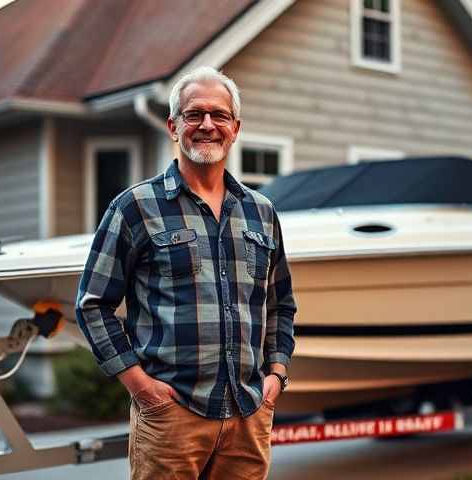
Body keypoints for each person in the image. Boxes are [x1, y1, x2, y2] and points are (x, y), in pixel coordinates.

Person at [75, 66, 296, 479]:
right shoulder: (135, 207)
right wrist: (141, 387)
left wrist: (276, 376)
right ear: (173, 126)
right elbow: (93, 305)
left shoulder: (262, 213)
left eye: (219, 115)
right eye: (194, 115)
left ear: (235, 128)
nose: (207, 125)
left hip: (248, 415)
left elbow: (281, 303)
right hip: (171, 416)